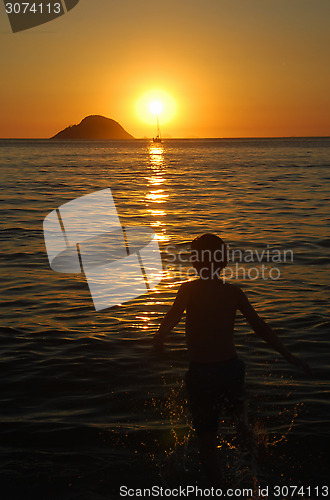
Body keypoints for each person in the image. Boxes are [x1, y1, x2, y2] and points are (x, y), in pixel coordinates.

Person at [153, 233, 311, 485]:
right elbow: (260, 327)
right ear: (224, 262)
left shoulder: (188, 290)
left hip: (202, 373)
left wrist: (159, 339)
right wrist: (288, 355)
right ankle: (256, 467)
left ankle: (219, 490)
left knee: (207, 440)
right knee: (241, 424)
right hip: (230, 369)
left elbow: (172, 316)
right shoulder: (234, 292)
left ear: (195, 262)